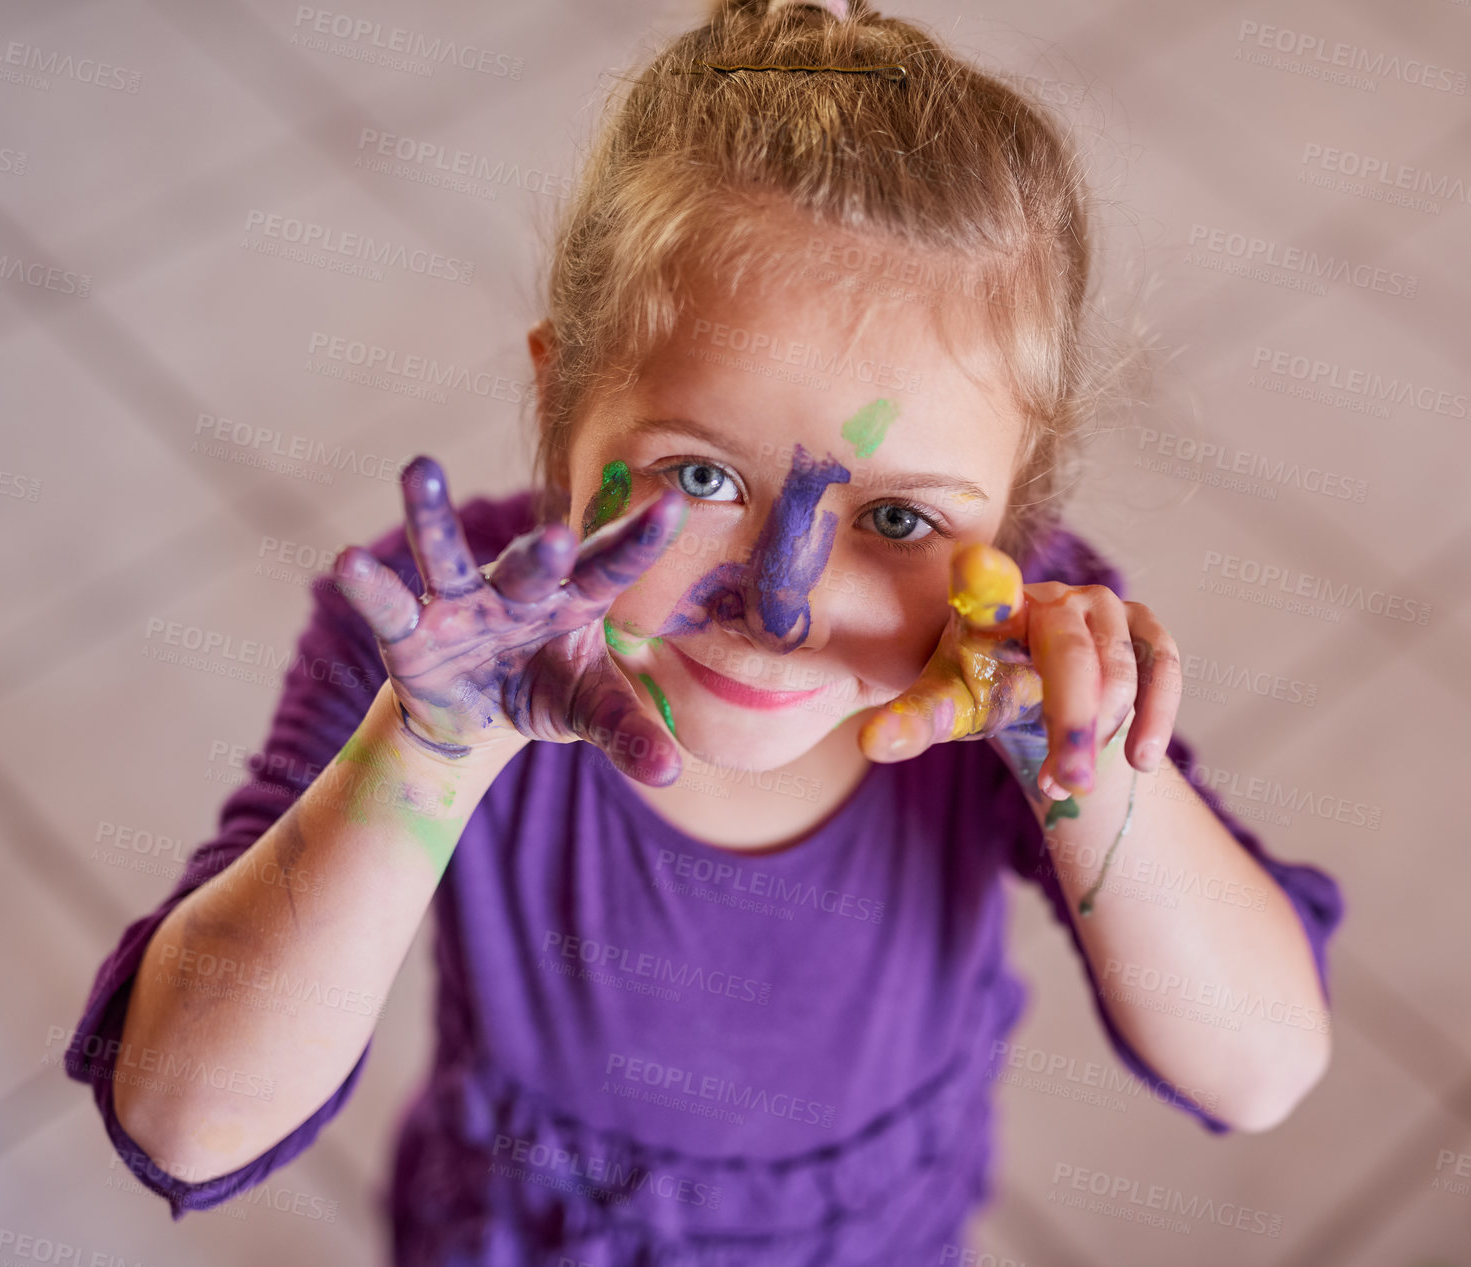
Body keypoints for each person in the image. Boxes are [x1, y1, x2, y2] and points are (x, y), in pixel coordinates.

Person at [65, 0, 1345, 1262]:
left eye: (898, 516)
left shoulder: (1004, 674)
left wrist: (1090, 775)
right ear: (558, 399)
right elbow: (186, 1121)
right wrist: (429, 753)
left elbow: (1259, 1071)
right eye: (705, 480)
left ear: (1019, 518)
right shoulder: (443, 644)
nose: (777, 607)